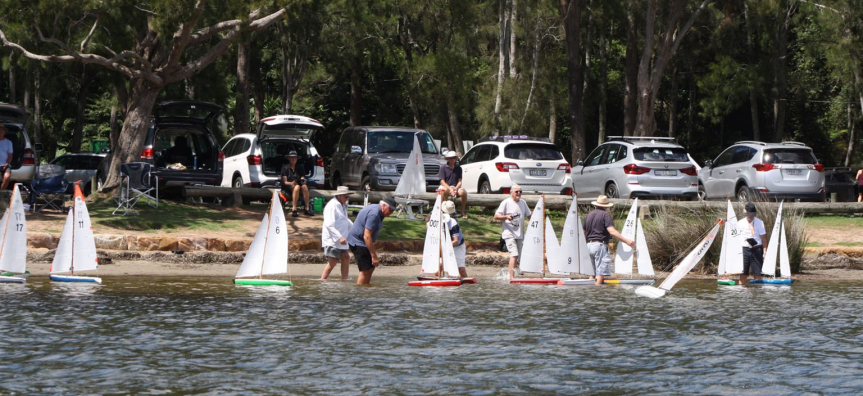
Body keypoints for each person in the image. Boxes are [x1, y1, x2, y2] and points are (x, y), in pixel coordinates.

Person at [583, 195, 635, 286]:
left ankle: (590, 291)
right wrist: (627, 241)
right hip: (599, 246)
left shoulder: (589, 215)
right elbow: (612, 231)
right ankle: (598, 291)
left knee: (592, 273)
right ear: (606, 206)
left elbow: (584, 232)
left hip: (588, 246)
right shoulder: (605, 215)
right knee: (600, 272)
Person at [347, 197, 396, 285]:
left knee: (371, 267)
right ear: (384, 206)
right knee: (365, 270)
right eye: (390, 209)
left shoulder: (378, 210)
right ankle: (360, 290)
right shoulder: (374, 214)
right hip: (358, 242)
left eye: (393, 210)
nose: (391, 212)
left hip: (362, 241)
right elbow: (367, 236)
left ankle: (366, 288)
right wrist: (374, 256)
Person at [493, 184, 531, 279]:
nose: (518, 193)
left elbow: (529, 216)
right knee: (514, 254)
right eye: (516, 191)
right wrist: (506, 216)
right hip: (509, 233)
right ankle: (511, 277)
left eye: (520, 191)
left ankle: (515, 273)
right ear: (512, 192)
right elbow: (496, 216)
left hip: (519, 234)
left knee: (519, 256)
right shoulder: (506, 202)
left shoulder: (523, 202)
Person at [427, 200, 468, 278]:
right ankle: (439, 282)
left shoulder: (453, 223)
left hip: (458, 247)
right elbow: (428, 223)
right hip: (445, 245)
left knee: (461, 270)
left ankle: (466, 283)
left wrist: (445, 247)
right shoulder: (435, 217)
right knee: (439, 268)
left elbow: (456, 241)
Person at [321, 186, 353, 280]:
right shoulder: (332, 206)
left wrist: (355, 228)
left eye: (348, 197)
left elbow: (345, 220)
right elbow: (329, 224)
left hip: (342, 237)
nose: (347, 199)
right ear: (339, 196)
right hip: (333, 239)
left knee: (346, 257)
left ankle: (345, 279)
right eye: (345, 197)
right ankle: (322, 280)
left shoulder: (343, 205)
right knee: (333, 261)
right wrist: (339, 237)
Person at [738, 202, 768, 285]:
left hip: (757, 249)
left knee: (757, 274)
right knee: (743, 274)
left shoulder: (760, 222)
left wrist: (765, 251)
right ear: (745, 213)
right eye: (749, 214)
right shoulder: (740, 223)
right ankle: (741, 290)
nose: (751, 216)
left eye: (752, 214)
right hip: (744, 250)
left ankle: (757, 291)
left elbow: (764, 238)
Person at [280, 150, 313, 217]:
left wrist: (303, 181)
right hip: (289, 186)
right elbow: (285, 182)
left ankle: (307, 208)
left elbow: (302, 177)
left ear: (297, 158)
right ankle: (294, 208)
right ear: (289, 158)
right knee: (297, 187)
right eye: (292, 157)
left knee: (304, 186)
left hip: (299, 185)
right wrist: (291, 183)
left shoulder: (300, 167)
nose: (293, 159)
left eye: (295, 157)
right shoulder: (285, 167)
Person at [438, 151, 468, 218]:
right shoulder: (443, 168)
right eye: (450, 158)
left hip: (455, 187)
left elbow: (460, 181)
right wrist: (450, 189)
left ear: (455, 158)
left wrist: (455, 189)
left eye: (454, 158)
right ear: (448, 159)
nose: (452, 159)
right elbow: (442, 181)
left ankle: (462, 212)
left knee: (463, 192)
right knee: (444, 191)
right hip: (446, 186)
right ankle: (442, 211)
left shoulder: (459, 168)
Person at [0, 124, 12, 190]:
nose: (0, 131)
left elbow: (10, 156)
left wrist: (7, 164)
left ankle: (1, 192)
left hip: (5, 165)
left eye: (2, 130)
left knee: (7, 177)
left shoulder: (9, 142)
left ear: (4, 132)